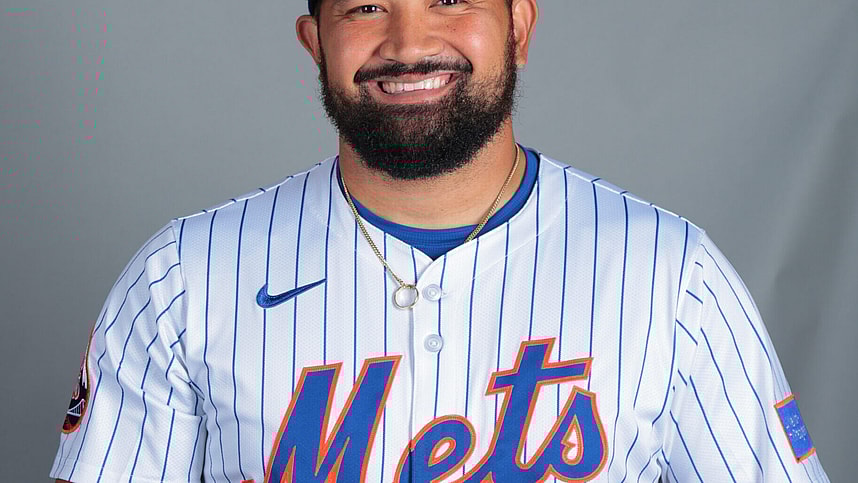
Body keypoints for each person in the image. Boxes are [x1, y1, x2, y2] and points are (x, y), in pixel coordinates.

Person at [52, 0, 830, 481]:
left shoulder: (670, 278)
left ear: (519, 26)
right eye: (364, 8)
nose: (407, 40)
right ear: (314, 43)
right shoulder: (184, 280)